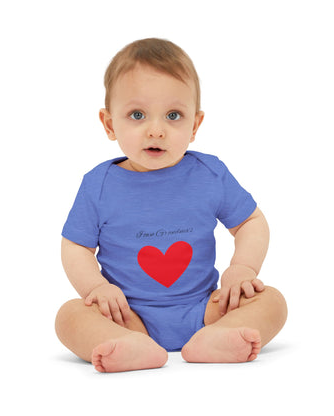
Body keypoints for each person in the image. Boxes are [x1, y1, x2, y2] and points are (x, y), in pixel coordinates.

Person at [55, 38, 287, 373]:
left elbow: (250, 222)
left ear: (194, 125)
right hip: (126, 314)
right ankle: (130, 343)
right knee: (69, 315)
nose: (156, 131)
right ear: (109, 124)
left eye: (173, 115)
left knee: (272, 301)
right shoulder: (98, 185)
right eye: (137, 115)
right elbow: (76, 246)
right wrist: (97, 288)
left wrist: (243, 269)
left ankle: (217, 336)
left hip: (206, 308)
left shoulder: (209, 174)